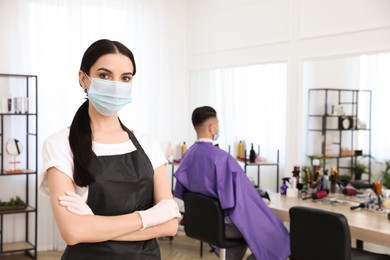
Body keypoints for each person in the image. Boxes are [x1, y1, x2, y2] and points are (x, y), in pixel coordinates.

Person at [39, 39, 180, 259]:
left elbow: (170, 225)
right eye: (105, 75)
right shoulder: (59, 144)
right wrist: (149, 217)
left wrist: (94, 225)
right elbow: (73, 232)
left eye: (125, 78)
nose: (116, 85)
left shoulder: (148, 144)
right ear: (83, 79)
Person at [174, 106, 290, 260]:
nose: (218, 127)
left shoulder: (188, 155)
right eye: (218, 123)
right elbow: (234, 200)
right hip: (222, 225)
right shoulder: (222, 158)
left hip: (201, 222)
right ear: (212, 127)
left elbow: (181, 191)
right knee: (274, 231)